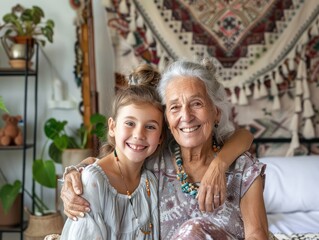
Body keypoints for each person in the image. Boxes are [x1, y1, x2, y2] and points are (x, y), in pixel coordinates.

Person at [61, 60, 267, 239]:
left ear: (216, 112)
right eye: (175, 107)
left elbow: (257, 235)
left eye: (196, 103)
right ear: (167, 119)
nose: (186, 116)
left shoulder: (242, 168)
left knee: (195, 229)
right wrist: (75, 174)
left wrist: (219, 165)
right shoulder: (156, 159)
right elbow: (113, 164)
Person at [60, 79, 165, 239]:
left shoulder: (149, 182)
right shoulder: (93, 181)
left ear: (160, 138)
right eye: (130, 123)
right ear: (112, 127)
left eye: (150, 127)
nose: (139, 134)